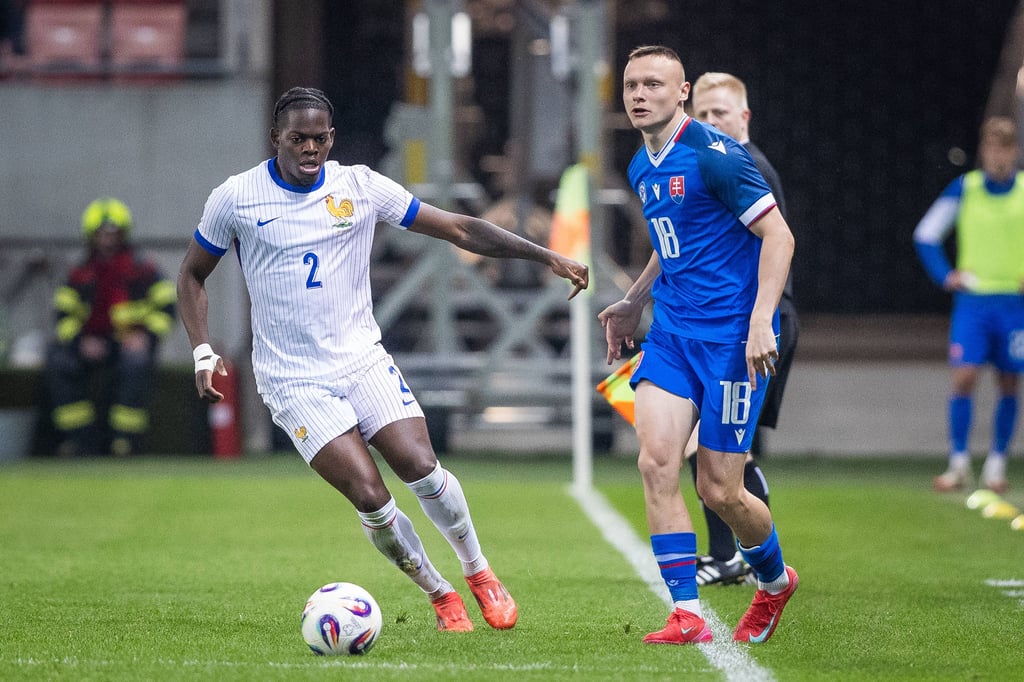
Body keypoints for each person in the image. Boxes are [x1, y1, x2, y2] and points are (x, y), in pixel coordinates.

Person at [176, 87, 589, 633]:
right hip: (293, 380)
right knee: (371, 495)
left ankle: (479, 571)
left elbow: (459, 227)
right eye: (297, 139)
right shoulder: (235, 198)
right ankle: (440, 594)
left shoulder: (360, 187)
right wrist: (202, 349)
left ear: (332, 138)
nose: (309, 149)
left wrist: (546, 254)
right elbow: (191, 275)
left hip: (361, 360)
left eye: (319, 139)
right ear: (275, 138)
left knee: (420, 466)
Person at [599, 46, 798, 645]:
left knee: (720, 488)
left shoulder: (716, 156)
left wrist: (762, 319)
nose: (638, 94)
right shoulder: (642, 164)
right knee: (655, 462)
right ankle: (686, 613)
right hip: (674, 335)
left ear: (680, 92)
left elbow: (778, 236)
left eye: (653, 85)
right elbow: (675, 241)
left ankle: (773, 580)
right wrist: (635, 299)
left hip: (734, 340)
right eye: (631, 85)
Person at [682, 71, 800, 586]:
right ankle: (737, 558)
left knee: (726, 452)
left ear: (744, 118)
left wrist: (759, 322)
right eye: (703, 115)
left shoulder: (745, 165)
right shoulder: (713, 163)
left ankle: (745, 560)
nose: (711, 122)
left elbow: (776, 242)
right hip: (724, 323)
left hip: (755, 323)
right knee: (710, 449)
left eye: (721, 114)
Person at [914, 116, 1024, 494]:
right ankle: (958, 462)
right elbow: (926, 234)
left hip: (1014, 302)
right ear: (984, 151)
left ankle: (996, 465)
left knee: (1009, 381)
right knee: (964, 377)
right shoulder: (967, 188)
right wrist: (946, 275)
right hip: (973, 303)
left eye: (1006, 149)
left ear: (1015, 152)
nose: (999, 157)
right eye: (993, 148)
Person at [44, 197, 176, 457]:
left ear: (123, 234)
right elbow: (63, 315)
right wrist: (79, 341)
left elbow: (167, 306)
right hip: (90, 341)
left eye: (113, 233)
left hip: (129, 342)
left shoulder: (143, 270)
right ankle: (80, 440)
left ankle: (125, 441)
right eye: (102, 234)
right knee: (59, 361)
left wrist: (145, 336)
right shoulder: (79, 272)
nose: (107, 239)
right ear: (91, 236)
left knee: (135, 365)